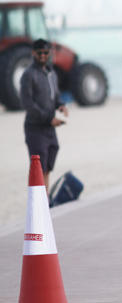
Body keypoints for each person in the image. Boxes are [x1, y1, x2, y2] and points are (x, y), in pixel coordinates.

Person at [20, 39, 68, 192]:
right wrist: (49, 119)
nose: (42, 55)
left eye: (45, 52)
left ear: (50, 53)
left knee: (48, 166)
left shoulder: (51, 73)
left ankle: (45, 199)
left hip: (50, 129)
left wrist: (61, 106)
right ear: (33, 53)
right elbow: (27, 104)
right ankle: (39, 200)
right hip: (35, 128)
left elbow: (56, 96)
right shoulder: (28, 75)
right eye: (39, 53)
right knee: (38, 168)